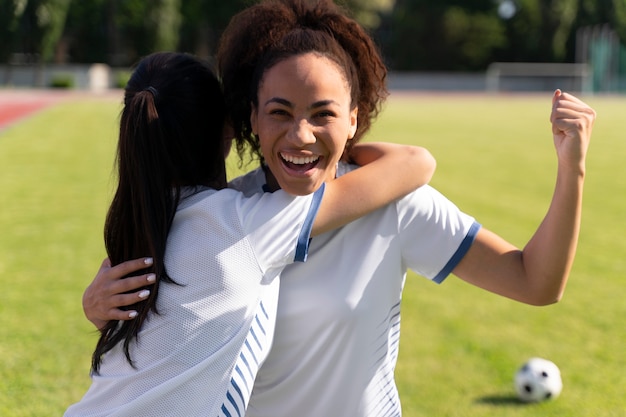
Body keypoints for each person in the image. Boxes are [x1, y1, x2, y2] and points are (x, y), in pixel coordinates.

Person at [80, 0, 596, 415]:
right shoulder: (226, 216)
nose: (300, 135)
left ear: (355, 117)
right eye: (279, 112)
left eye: (323, 114)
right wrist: (95, 304)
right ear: (249, 120)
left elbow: (536, 282)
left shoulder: (398, 205)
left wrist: (571, 169)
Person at [64, 50, 435, 416]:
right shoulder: (249, 224)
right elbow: (416, 162)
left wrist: (91, 309)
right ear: (228, 129)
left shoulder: (139, 221)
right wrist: (336, 143)